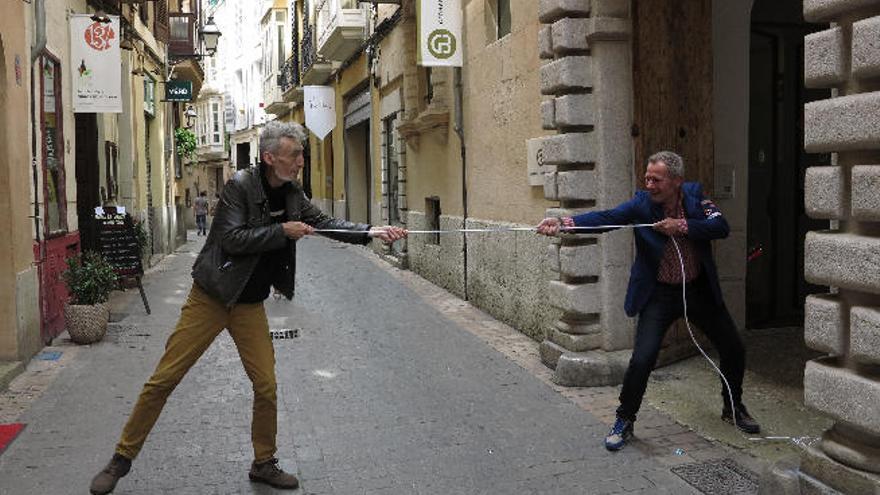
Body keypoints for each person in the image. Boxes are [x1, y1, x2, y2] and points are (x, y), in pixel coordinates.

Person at [89, 121, 407, 494]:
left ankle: (263, 463)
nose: (301, 161)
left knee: (266, 386)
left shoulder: (291, 193)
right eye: (295, 155)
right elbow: (230, 238)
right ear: (270, 158)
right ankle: (121, 459)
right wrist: (281, 232)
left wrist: (371, 232)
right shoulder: (240, 185)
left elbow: (324, 222)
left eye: (302, 155)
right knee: (164, 379)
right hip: (212, 296)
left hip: (249, 304)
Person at [537, 150, 760, 452]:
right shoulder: (642, 204)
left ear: (677, 181)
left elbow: (720, 227)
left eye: (657, 180)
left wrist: (681, 226)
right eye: (647, 178)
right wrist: (563, 223)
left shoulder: (696, 199)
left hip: (698, 291)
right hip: (659, 295)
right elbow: (606, 218)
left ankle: (733, 407)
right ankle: (624, 419)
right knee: (642, 359)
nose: (650, 185)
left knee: (734, 347)